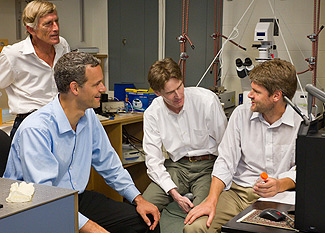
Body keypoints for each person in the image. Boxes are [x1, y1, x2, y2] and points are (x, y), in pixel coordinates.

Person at [4, 51, 160, 233]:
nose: (103, 89)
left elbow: (109, 163)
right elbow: (46, 196)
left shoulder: (89, 117)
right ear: (75, 88)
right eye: (96, 84)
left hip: (75, 198)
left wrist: (138, 199)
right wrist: (93, 228)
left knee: (146, 223)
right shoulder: (36, 129)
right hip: (35, 207)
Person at [183, 58, 301, 233]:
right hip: (238, 194)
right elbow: (225, 160)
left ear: (276, 96)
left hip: (279, 197)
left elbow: (306, 170)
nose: (249, 95)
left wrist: (281, 184)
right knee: (195, 228)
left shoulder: (302, 123)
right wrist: (211, 200)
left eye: (256, 91)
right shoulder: (240, 115)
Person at [142, 58, 227, 219]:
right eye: (170, 92)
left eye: (179, 87)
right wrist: (173, 193)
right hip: (176, 167)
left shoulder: (206, 100)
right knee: (145, 208)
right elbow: (153, 160)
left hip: (208, 166)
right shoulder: (153, 113)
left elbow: (226, 147)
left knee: (201, 216)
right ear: (158, 93)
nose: (178, 95)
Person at [0, 0, 70, 139]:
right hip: (29, 124)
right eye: (48, 24)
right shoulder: (13, 54)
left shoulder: (62, 45)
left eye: (56, 21)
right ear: (31, 29)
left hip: (61, 121)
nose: (55, 28)